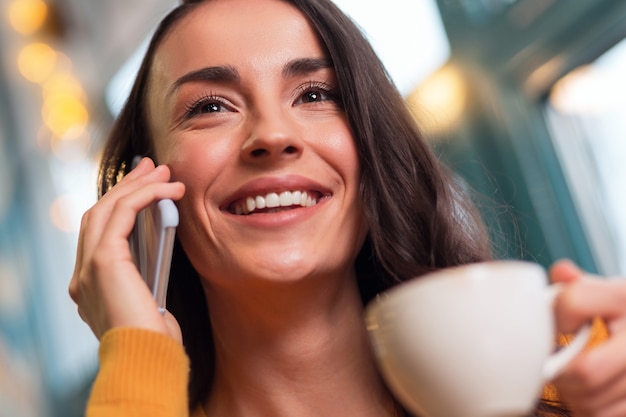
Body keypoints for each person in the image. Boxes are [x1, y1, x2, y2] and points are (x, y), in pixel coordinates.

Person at [68, 0, 626, 416]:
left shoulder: (576, 375)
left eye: (315, 94)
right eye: (211, 106)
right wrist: (137, 348)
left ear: (371, 145)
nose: (273, 135)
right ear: (146, 195)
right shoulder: (135, 401)